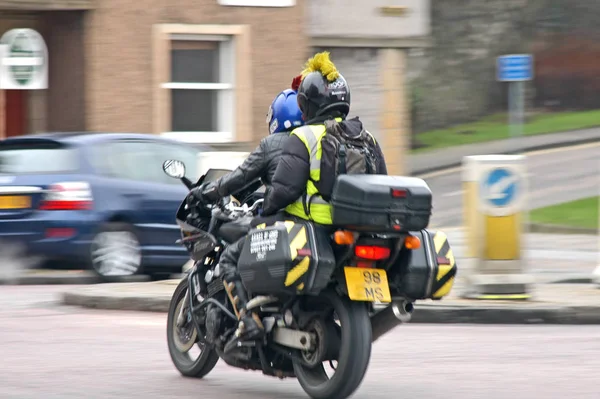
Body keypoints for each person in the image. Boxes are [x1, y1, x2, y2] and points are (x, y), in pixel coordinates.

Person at [218, 51, 388, 344]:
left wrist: (262, 213)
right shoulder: (367, 138)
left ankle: (249, 321)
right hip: (356, 231)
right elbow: (381, 182)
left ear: (308, 104)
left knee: (231, 258)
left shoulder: (306, 137)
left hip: (310, 227)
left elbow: (284, 190)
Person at [193, 83, 304, 348]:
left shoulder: (273, 144)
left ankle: (247, 320)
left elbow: (240, 177)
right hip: (311, 223)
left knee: (230, 258)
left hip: (284, 224)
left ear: (278, 117)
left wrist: (207, 192)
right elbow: (255, 184)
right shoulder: (313, 141)